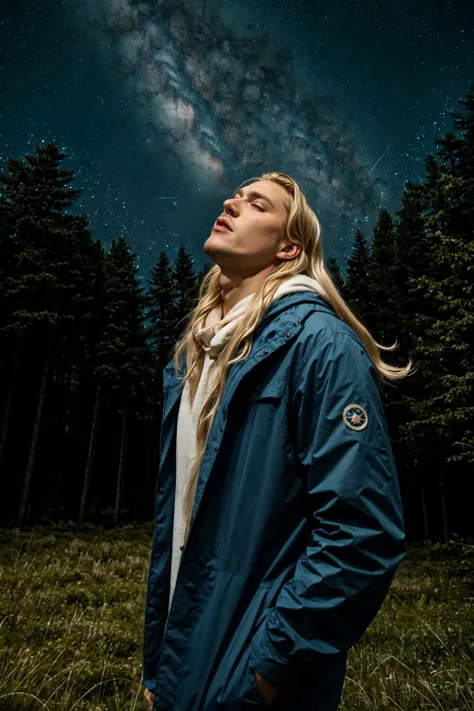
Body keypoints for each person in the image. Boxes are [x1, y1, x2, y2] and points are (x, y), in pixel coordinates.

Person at [142, 171, 412, 711]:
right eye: (235, 196)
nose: (231, 202)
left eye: (256, 204)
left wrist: (265, 675)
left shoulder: (321, 345)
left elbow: (363, 536)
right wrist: (158, 667)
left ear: (288, 247)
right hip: (184, 665)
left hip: (256, 677)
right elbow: (179, 528)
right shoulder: (193, 358)